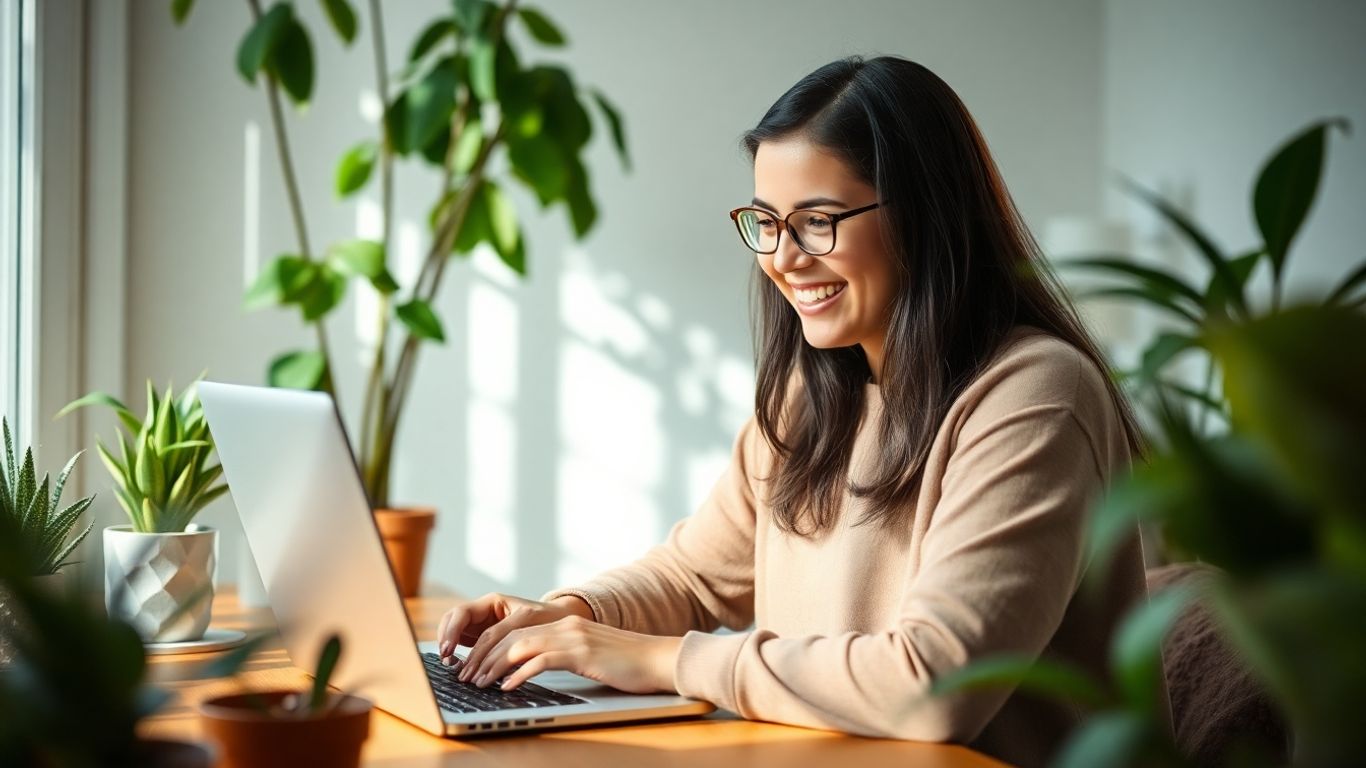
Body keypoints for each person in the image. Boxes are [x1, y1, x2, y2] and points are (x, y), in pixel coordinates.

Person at [435, 55, 1156, 767]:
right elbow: (694, 576)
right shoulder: (809, 398)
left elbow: (935, 684)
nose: (782, 257)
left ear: (923, 215)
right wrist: (569, 617)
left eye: (816, 221)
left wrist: (662, 661)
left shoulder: (1035, 396)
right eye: (766, 223)